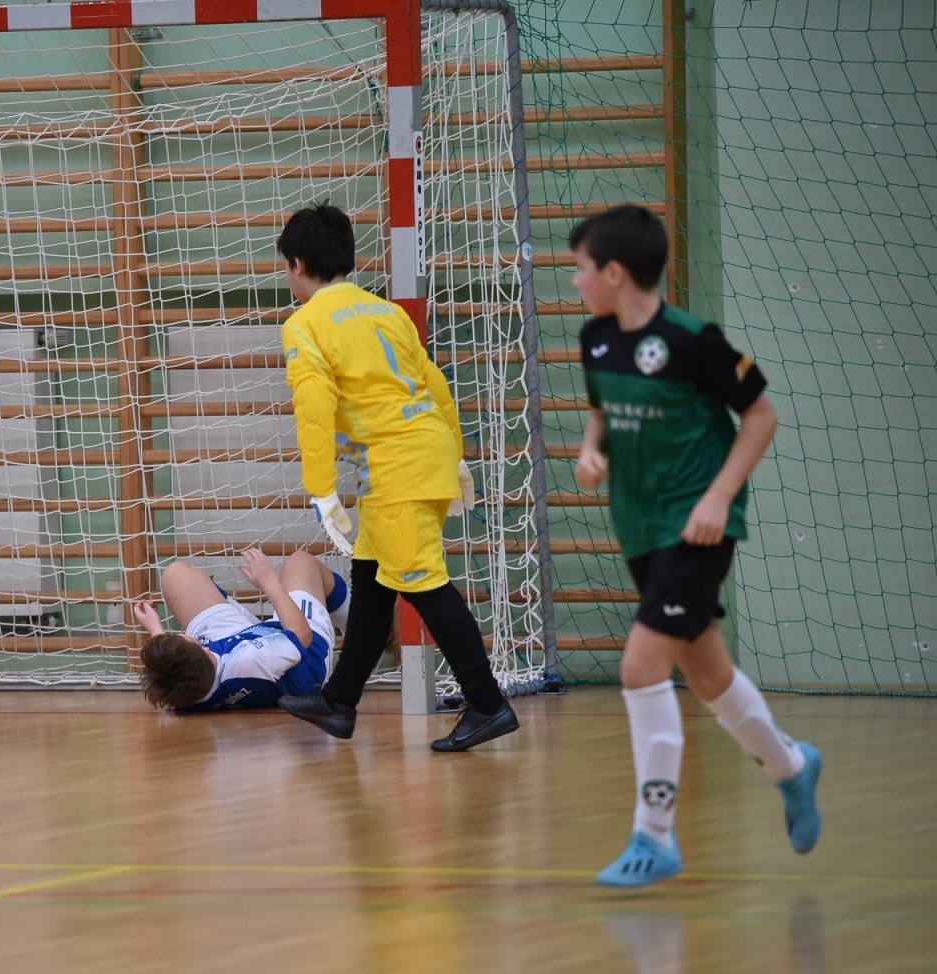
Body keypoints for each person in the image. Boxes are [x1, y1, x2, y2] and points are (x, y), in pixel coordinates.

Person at [569, 204, 822, 887]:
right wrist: (592, 452)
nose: (575, 281)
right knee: (707, 675)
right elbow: (599, 414)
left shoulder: (693, 341)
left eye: (581, 268)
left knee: (640, 668)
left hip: (699, 529)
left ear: (614, 273)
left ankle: (655, 836)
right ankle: (793, 768)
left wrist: (717, 497)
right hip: (642, 528)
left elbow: (760, 416)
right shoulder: (596, 339)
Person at [271, 201, 519, 751]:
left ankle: (486, 703)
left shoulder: (305, 324)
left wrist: (320, 487)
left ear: (297, 264)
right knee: (372, 578)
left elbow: (313, 407)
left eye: (286, 267)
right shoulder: (386, 312)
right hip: (423, 452)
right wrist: (453, 457)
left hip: (397, 469)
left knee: (425, 585)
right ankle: (339, 701)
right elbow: (432, 382)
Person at [133, 549, 350, 712]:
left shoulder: (185, 694)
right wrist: (268, 582)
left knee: (175, 575)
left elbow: (169, 672)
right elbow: (301, 633)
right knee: (300, 561)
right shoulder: (248, 660)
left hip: (233, 646)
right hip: (305, 653)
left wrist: (155, 629)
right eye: (183, 638)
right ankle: (366, 628)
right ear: (206, 650)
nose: (183, 634)